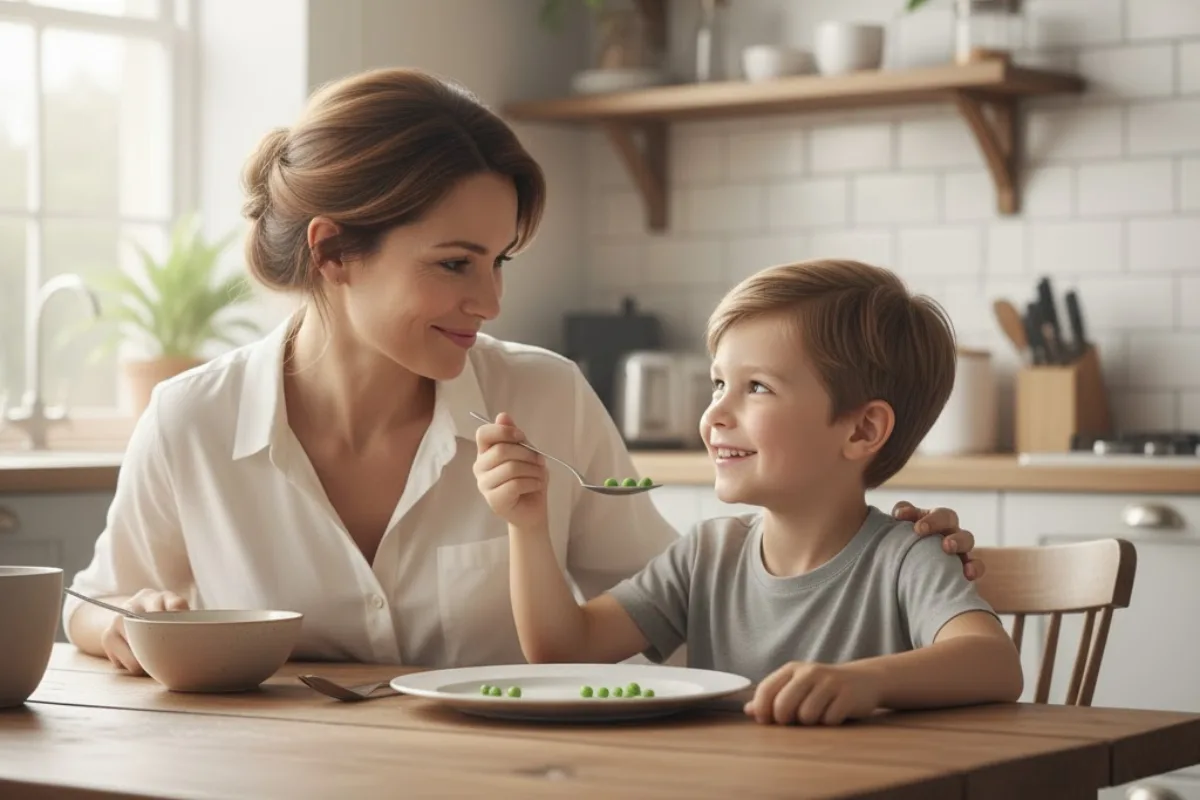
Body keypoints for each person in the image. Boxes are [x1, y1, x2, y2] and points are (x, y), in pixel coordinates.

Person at [64, 67, 984, 675]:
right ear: (335, 251)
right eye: (454, 263)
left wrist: (863, 548)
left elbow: (692, 607)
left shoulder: (543, 396)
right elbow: (94, 610)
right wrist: (131, 628)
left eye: (498, 263)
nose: (490, 302)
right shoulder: (188, 421)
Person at [475, 259, 1024, 726]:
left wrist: (866, 683)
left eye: (756, 387)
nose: (714, 413)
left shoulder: (907, 555)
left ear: (861, 431)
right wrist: (528, 525)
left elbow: (995, 663)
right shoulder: (707, 556)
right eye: (719, 383)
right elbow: (564, 649)